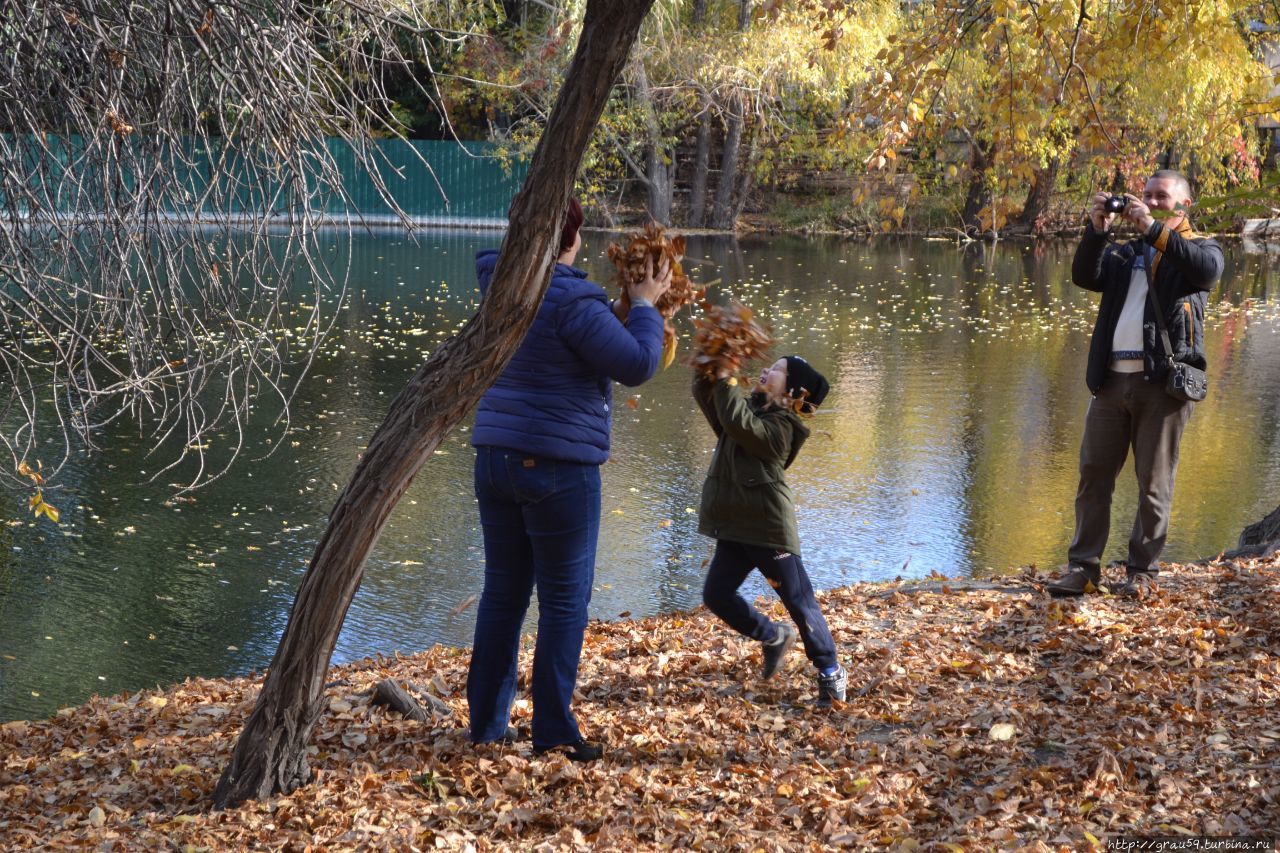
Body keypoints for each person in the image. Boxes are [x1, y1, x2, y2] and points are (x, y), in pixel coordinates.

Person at [466, 198, 672, 761]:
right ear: (572, 241)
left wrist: (618, 308)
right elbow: (636, 365)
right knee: (564, 603)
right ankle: (554, 734)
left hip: (495, 458)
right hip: (557, 467)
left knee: (503, 595)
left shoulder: (498, 285)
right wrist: (646, 305)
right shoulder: (569, 298)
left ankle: (485, 724)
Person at [1048, 170, 1223, 597]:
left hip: (1163, 385)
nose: (1148, 201)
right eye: (1145, 196)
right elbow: (1085, 276)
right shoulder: (1127, 254)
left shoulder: (1200, 249)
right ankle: (1083, 568)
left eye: (1160, 196)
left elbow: (1206, 272)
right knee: (1093, 476)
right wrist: (1096, 232)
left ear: (1185, 206)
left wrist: (1152, 228)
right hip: (1110, 382)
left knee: (1154, 482)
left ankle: (1142, 572)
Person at [692, 354, 847, 706]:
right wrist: (709, 372)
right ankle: (773, 636)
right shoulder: (748, 413)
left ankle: (831, 671)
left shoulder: (783, 429)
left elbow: (737, 420)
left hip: (767, 528)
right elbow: (718, 406)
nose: (767, 371)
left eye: (777, 370)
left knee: (799, 601)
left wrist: (729, 380)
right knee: (717, 595)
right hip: (736, 526)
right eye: (770, 366)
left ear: (794, 391)